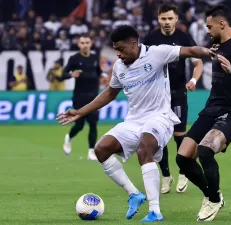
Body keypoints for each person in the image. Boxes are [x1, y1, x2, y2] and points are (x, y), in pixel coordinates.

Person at [57, 25, 214, 222]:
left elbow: (190, 51)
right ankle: (134, 194)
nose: (118, 54)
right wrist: (80, 112)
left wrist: (211, 52)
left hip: (160, 117)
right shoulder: (119, 67)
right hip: (134, 120)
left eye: (121, 49)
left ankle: (155, 211)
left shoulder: (157, 53)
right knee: (101, 149)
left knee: (144, 149)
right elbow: (109, 94)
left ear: (134, 43)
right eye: (115, 49)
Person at [176, 5, 231, 222]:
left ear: (222, 24)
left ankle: (213, 202)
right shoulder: (215, 46)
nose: (207, 30)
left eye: (209, 26)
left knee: (205, 151)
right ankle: (212, 195)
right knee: (182, 158)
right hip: (211, 108)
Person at [144, 3, 203, 194]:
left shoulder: (184, 37)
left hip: (178, 92)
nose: (167, 22)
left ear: (176, 19)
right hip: (156, 95)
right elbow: (141, 63)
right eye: (163, 18)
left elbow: (198, 62)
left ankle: (184, 171)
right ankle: (166, 176)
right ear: (158, 19)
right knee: (158, 137)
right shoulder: (151, 38)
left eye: (170, 18)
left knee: (179, 136)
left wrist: (194, 80)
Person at [59, 35, 102, 161]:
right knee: (80, 125)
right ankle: (69, 137)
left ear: (91, 43)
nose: (85, 45)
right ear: (79, 45)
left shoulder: (94, 57)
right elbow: (63, 74)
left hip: (94, 97)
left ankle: (91, 151)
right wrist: (71, 74)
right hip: (79, 97)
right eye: (82, 43)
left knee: (93, 124)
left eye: (87, 42)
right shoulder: (74, 59)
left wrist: (103, 75)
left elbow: (98, 72)